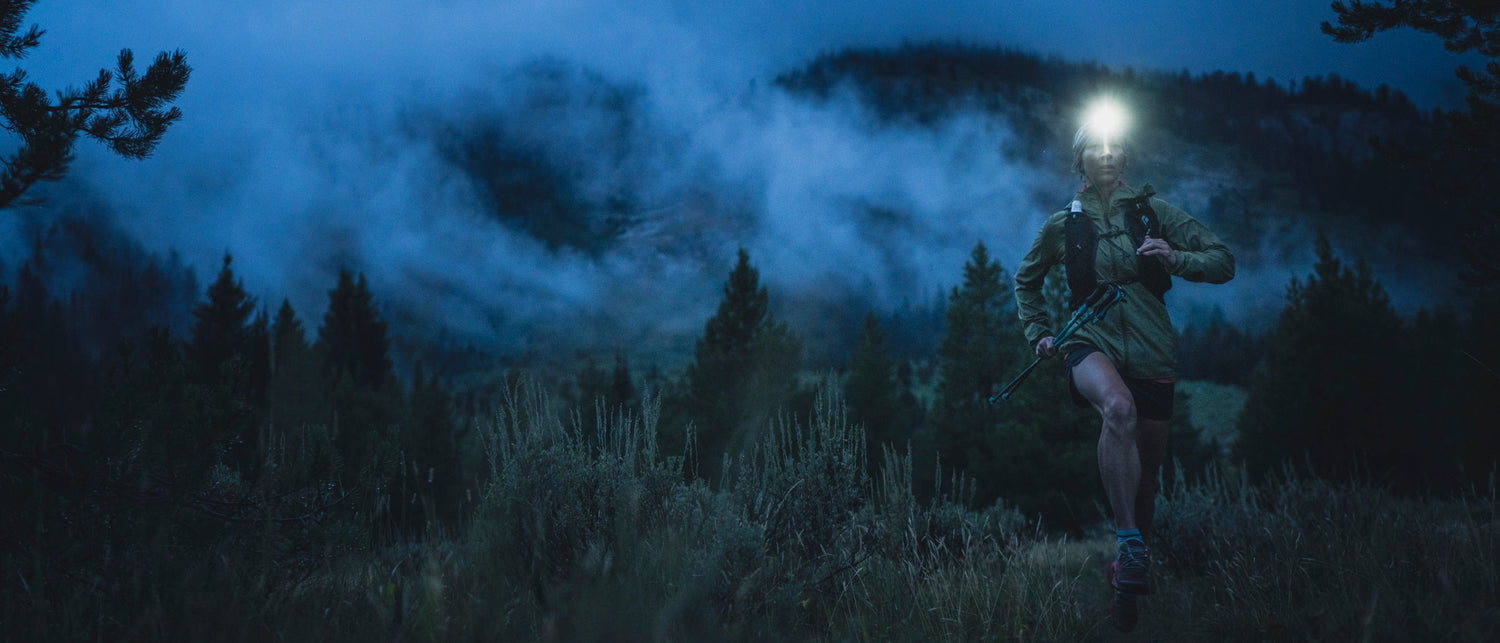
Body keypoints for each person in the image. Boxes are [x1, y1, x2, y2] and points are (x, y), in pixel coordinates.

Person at [1013, 105, 1234, 632]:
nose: (1107, 155)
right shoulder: (1063, 224)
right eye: (1096, 147)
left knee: (1145, 481)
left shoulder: (1155, 212)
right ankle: (1129, 542)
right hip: (1088, 339)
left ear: (1125, 157)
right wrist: (1039, 331)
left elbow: (1223, 260)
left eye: (1115, 147)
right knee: (1117, 408)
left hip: (1154, 349)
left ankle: (1126, 574)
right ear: (1080, 159)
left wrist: (1178, 259)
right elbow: (1026, 281)